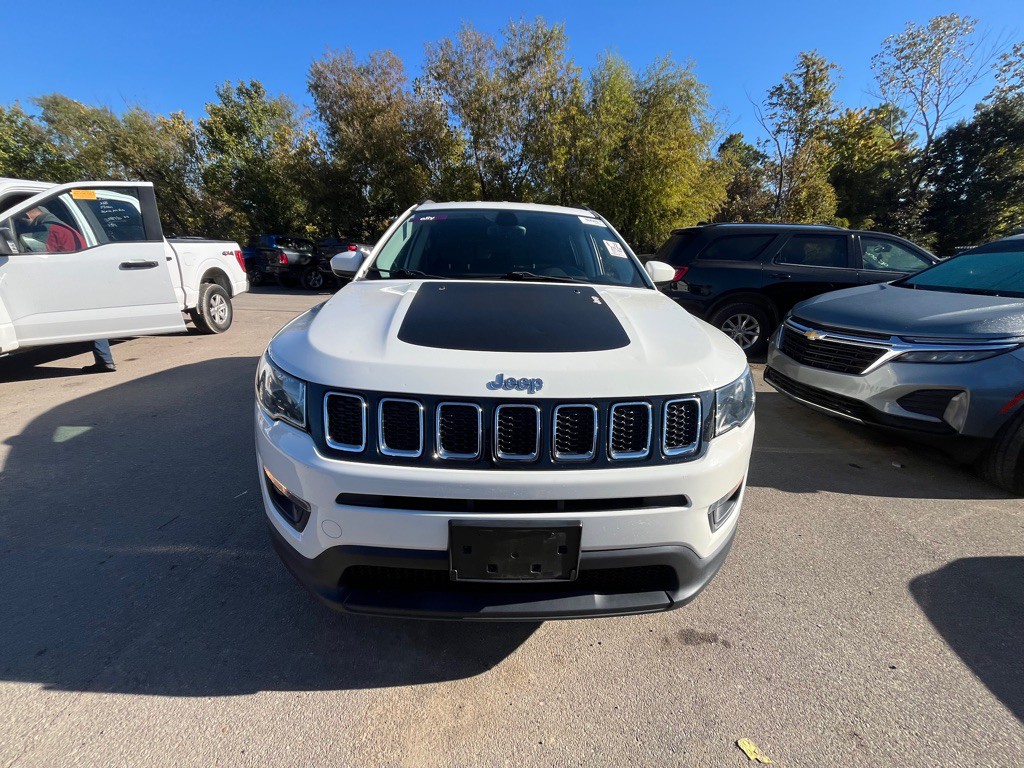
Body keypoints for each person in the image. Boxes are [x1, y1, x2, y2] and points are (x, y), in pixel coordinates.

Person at [21, 206, 116, 373]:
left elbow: (43, 255)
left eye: (24, 219)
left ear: (30, 214)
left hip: (68, 281)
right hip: (82, 278)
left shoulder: (49, 229)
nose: (25, 223)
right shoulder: (66, 227)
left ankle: (104, 360)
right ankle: (104, 360)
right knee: (92, 320)